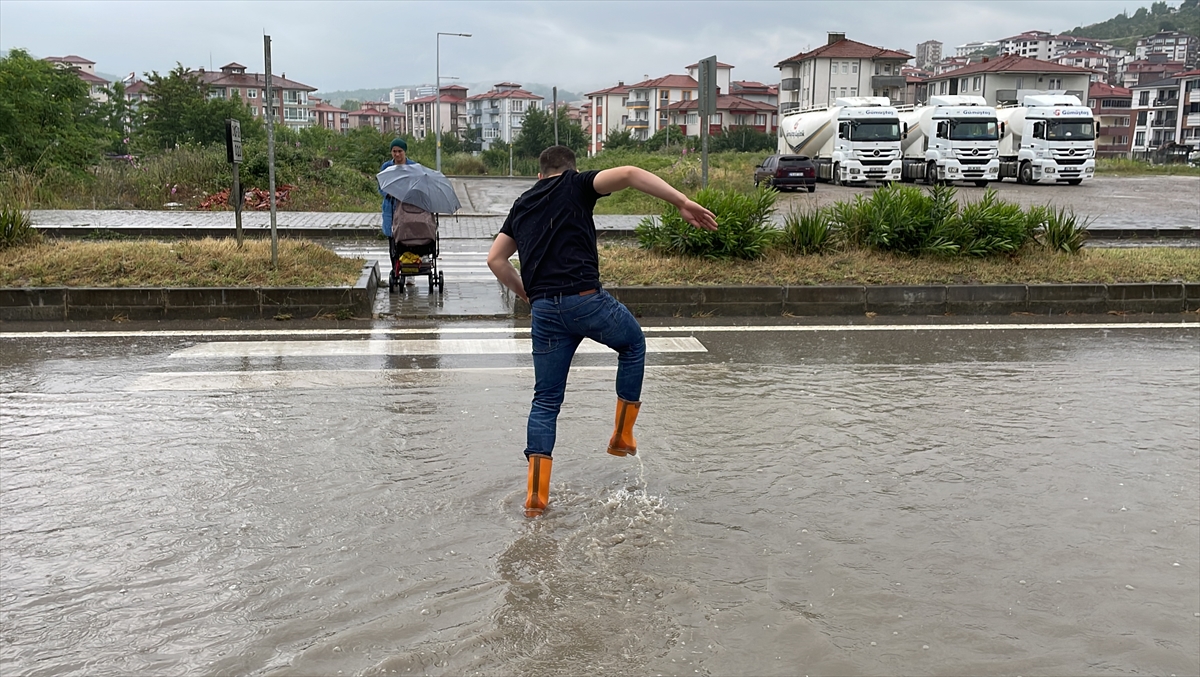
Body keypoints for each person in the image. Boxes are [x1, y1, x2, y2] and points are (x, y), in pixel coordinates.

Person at [487, 145, 718, 518]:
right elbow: (628, 173)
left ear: (539, 174)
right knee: (633, 344)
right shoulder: (576, 184)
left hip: (545, 311)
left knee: (545, 402)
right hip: (585, 301)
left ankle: (536, 496)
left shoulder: (523, 203)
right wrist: (682, 201)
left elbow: (495, 259)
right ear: (571, 169)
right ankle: (621, 435)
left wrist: (525, 292)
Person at [380, 138, 417, 238]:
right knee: (391, 234)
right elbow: (381, 185)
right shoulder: (386, 167)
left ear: (404, 151)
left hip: (408, 206)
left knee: (406, 233)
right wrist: (388, 193)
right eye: (394, 151)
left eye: (400, 151)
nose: (397, 154)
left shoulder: (413, 167)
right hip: (390, 205)